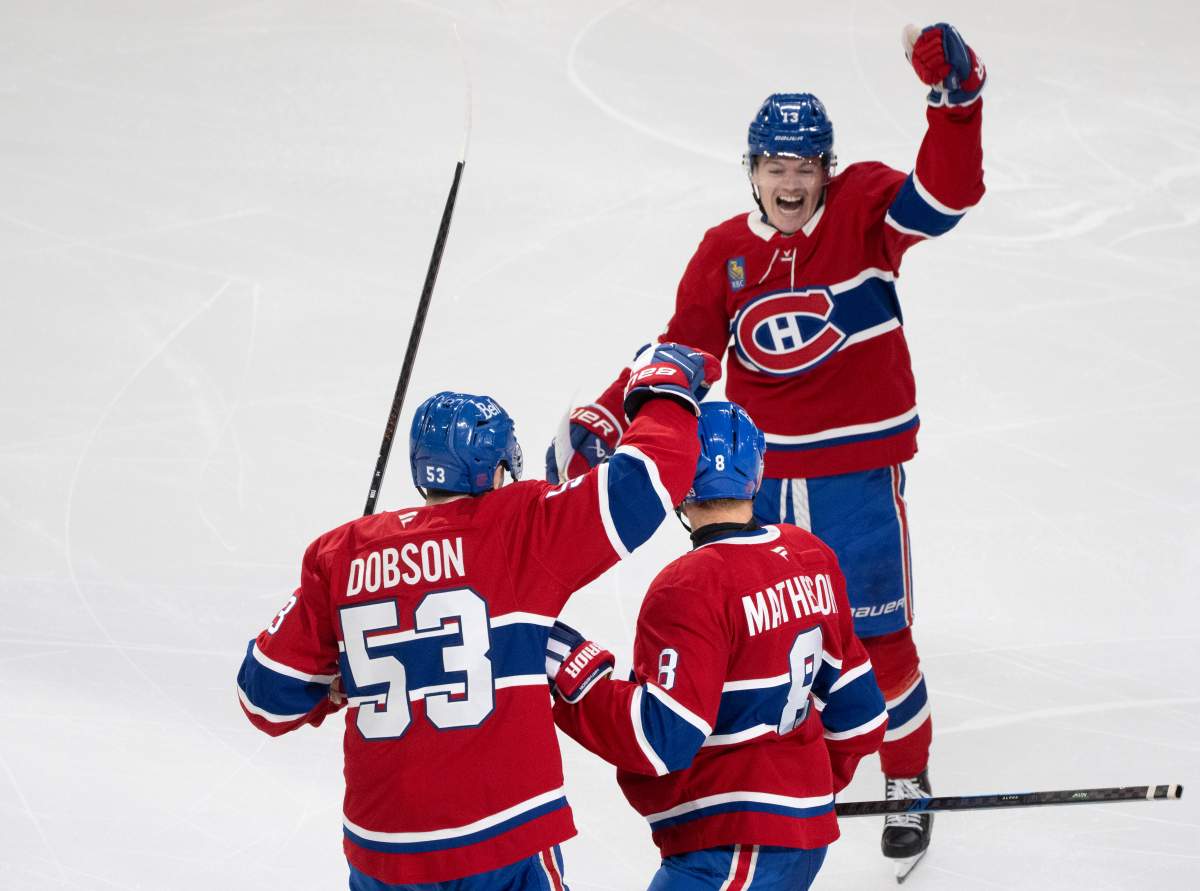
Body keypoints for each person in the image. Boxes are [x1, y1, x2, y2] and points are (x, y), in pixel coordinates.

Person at [546, 22, 986, 872]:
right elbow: (686, 353)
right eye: (775, 168)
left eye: (805, 166)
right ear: (751, 170)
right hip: (763, 477)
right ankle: (782, 760)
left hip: (855, 473)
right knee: (770, 632)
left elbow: (944, 198)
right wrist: (611, 414)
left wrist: (957, 104)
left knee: (877, 636)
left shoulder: (861, 210)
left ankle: (905, 771)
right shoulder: (724, 253)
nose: (792, 184)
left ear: (828, 166)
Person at [235, 343, 720, 890]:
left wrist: (332, 683)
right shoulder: (520, 524)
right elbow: (647, 481)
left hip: (384, 852)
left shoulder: (341, 552)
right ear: (494, 471)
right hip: (502, 838)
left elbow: (263, 697)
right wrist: (663, 390)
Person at [547, 401, 887, 890]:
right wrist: (799, 794)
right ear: (758, 470)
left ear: (679, 481)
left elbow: (661, 736)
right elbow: (862, 718)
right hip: (793, 839)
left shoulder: (689, 586)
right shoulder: (811, 556)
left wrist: (571, 668)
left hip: (727, 850)